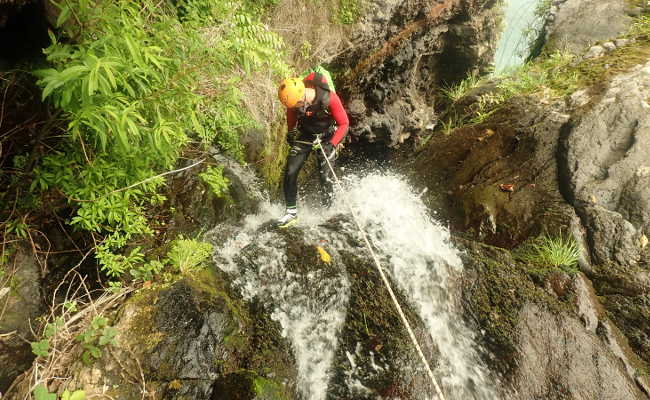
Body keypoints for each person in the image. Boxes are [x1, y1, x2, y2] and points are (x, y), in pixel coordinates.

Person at [276, 71, 349, 228]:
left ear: (302, 97)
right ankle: (291, 213)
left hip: (328, 136)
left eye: (295, 105)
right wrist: (291, 131)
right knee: (290, 171)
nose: (293, 108)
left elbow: (344, 124)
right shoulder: (295, 100)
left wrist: (332, 143)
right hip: (306, 134)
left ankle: (329, 213)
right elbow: (291, 113)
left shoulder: (329, 98)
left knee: (325, 176)